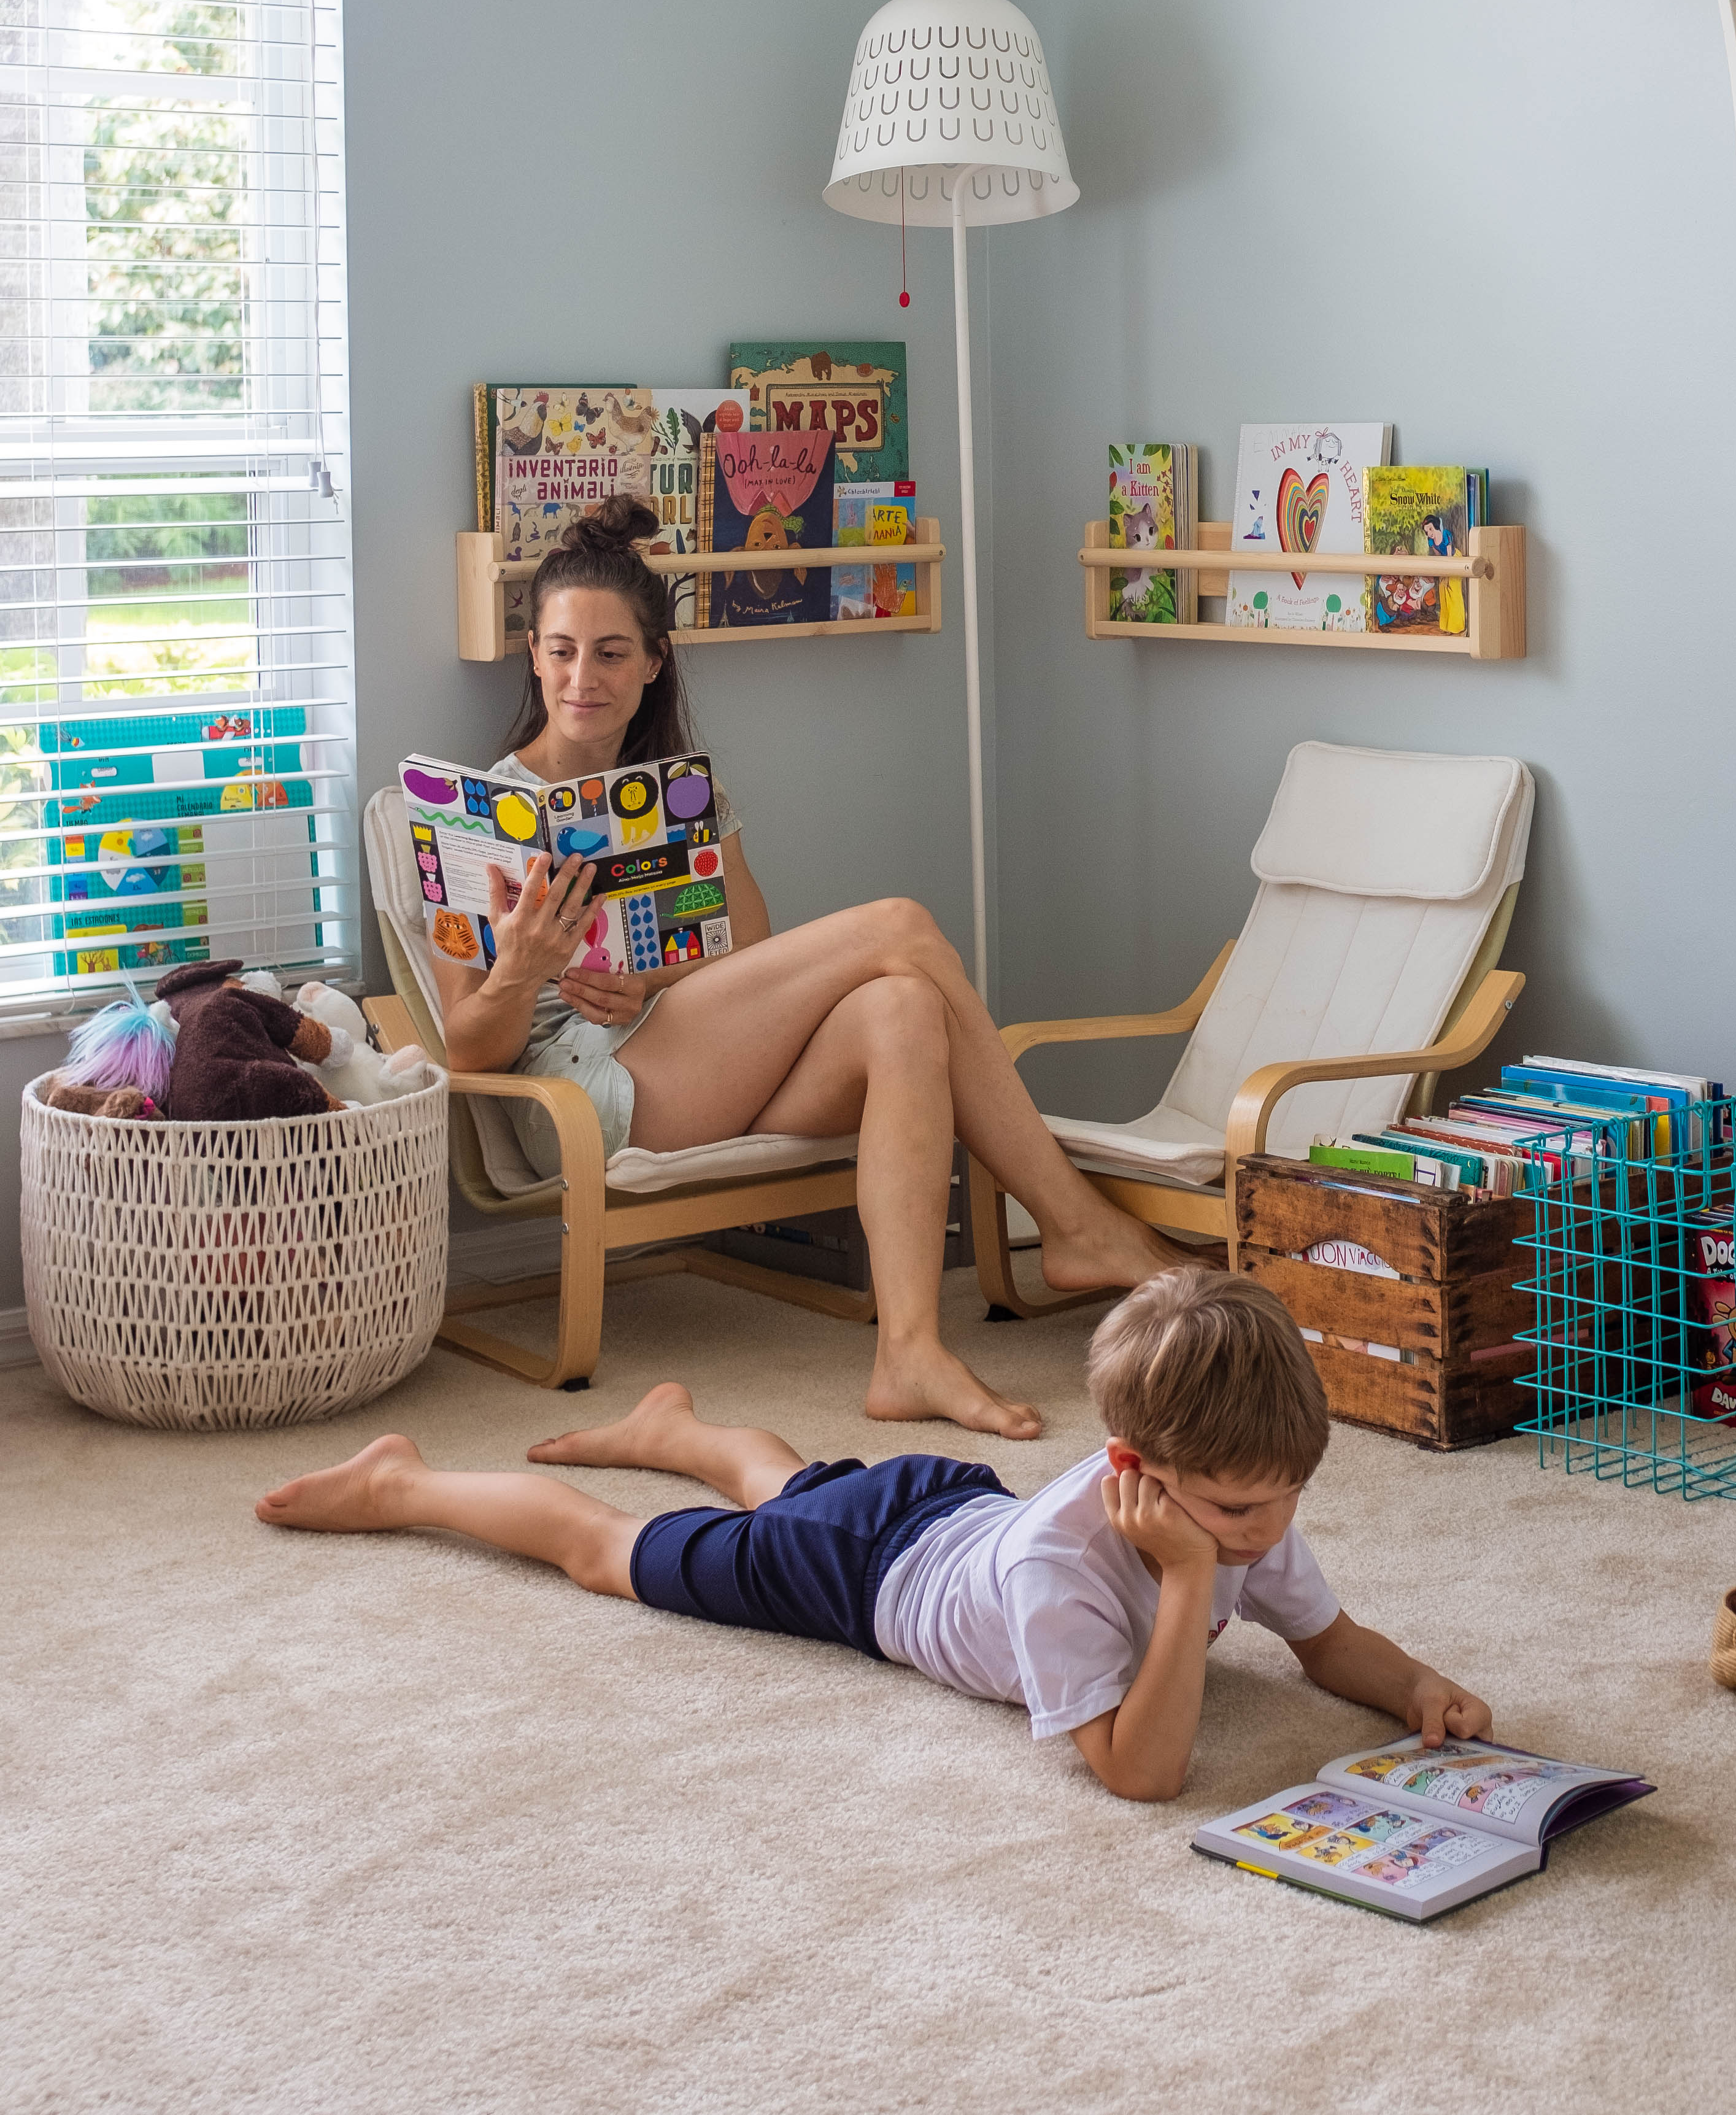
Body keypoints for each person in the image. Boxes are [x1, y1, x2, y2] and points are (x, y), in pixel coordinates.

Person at [436, 496, 1184, 1442]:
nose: (583, 676)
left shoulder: (682, 797)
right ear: (534, 655)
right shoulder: (480, 819)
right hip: (585, 1095)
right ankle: (1073, 1218)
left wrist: (652, 983)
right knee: (901, 926)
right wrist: (519, 971)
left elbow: (752, 954)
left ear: (653, 661)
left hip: (687, 1055)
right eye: (561, 650)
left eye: (611, 651)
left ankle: (907, 1354)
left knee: (903, 1007)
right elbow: (466, 1045)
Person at [255, 1268, 1492, 1800]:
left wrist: (1418, 1685)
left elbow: (1328, 1645)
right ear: (1134, 1470)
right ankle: (402, 1484)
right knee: (606, 1552)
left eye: (1282, 1500)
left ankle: (685, 1430)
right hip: (858, 1570)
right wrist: (1179, 1585)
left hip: (936, 1497)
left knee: (793, 1484)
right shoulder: (1064, 1564)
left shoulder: (1233, 1505)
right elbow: (1138, 1769)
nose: (1262, 1531)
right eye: (1232, 1510)